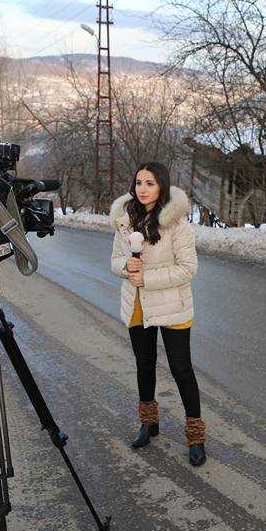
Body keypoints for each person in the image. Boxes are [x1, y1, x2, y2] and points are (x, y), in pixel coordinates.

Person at [109, 162, 207, 467]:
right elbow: (114, 259)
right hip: (137, 305)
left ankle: (195, 436)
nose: (142, 189)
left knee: (181, 368)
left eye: (149, 183)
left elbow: (188, 269)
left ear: (161, 186)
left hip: (172, 305)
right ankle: (149, 424)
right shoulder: (125, 220)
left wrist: (146, 278)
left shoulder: (177, 223)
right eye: (138, 182)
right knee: (144, 364)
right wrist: (127, 268)